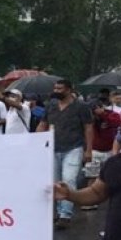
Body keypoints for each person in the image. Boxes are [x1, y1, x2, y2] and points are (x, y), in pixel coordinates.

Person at [38, 79, 94, 229]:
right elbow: (43, 124)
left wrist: (88, 150)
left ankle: (65, 215)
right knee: (54, 181)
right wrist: (35, 142)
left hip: (74, 147)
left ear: (69, 90)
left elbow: (88, 128)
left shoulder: (81, 106)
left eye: (60, 88)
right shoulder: (51, 105)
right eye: (55, 88)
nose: (57, 91)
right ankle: (56, 212)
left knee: (68, 180)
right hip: (53, 148)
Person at [89, 100, 121, 186]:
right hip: (94, 152)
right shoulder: (90, 117)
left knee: (109, 176)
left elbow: (116, 123)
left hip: (110, 151)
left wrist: (102, 115)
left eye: (99, 107)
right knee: (91, 176)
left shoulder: (113, 115)